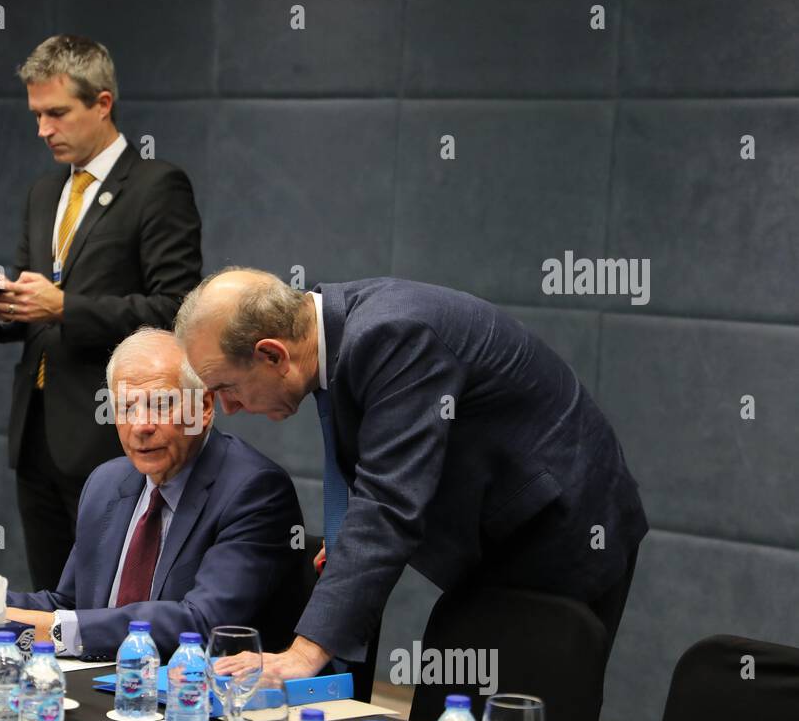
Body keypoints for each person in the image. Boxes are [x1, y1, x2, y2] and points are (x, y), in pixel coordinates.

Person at [175, 268, 649, 680]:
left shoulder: (394, 333)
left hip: (565, 536)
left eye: (226, 388)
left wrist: (303, 654)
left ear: (273, 354)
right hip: (503, 540)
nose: (230, 408)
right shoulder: (334, 333)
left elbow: (388, 503)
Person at [0, 328, 303, 660]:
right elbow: (67, 603)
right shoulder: (107, 483)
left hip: (197, 707)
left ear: (206, 405)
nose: (141, 426)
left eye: (160, 406)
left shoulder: (253, 489)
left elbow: (200, 623)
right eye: (127, 408)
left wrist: (56, 629)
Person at [0, 35, 202, 591]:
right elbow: (36, 300)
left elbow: (176, 310)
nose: (43, 130)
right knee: (52, 595)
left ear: (102, 103)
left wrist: (66, 308)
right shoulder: (44, 192)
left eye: (57, 113)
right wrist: (6, 307)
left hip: (109, 432)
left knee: (106, 599)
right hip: (36, 432)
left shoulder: (156, 186)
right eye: (36, 115)